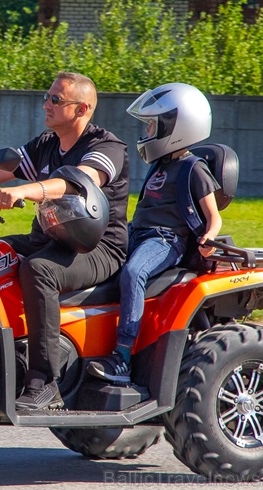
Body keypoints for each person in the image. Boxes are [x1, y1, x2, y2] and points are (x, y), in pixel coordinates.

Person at [0, 72, 130, 410]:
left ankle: (44, 380)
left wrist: (22, 191)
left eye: (55, 100)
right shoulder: (47, 143)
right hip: (51, 238)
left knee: (38, 270)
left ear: (82, 109)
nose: (46, 104)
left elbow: (76, 183)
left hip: (98, 248)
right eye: (46, 96)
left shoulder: (105, 147)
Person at [86, 82, 222, 384]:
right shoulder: (160, 164)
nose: (146, 133)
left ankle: (122, 357)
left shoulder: (193, 168)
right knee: (98, 264)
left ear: (178, 127)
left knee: (134, 273)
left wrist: (209, 238)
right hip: (138, 233)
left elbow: (214, 216)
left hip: (166, 240)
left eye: (152, 126)